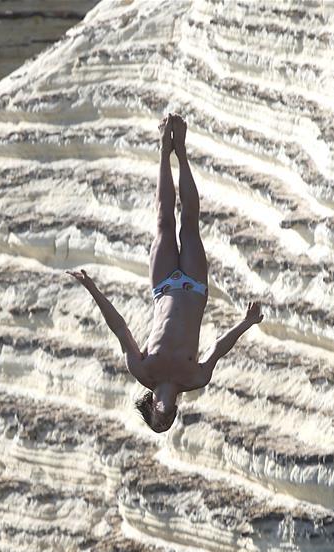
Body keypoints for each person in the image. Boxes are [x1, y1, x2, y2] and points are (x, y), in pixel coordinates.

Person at [66, 113, 263, 432]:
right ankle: (181, 151)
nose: (167, 413)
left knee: (163, 220)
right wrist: (247, 322)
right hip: (195, 287)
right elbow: (218, 348)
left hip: (163, 286)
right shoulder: (196, 378)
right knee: (189, 222)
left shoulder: (143, 370)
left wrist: (92, 288)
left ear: (152, 405)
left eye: (160, 417)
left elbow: (119, 328)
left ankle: (163, 148)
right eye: (170, 418)